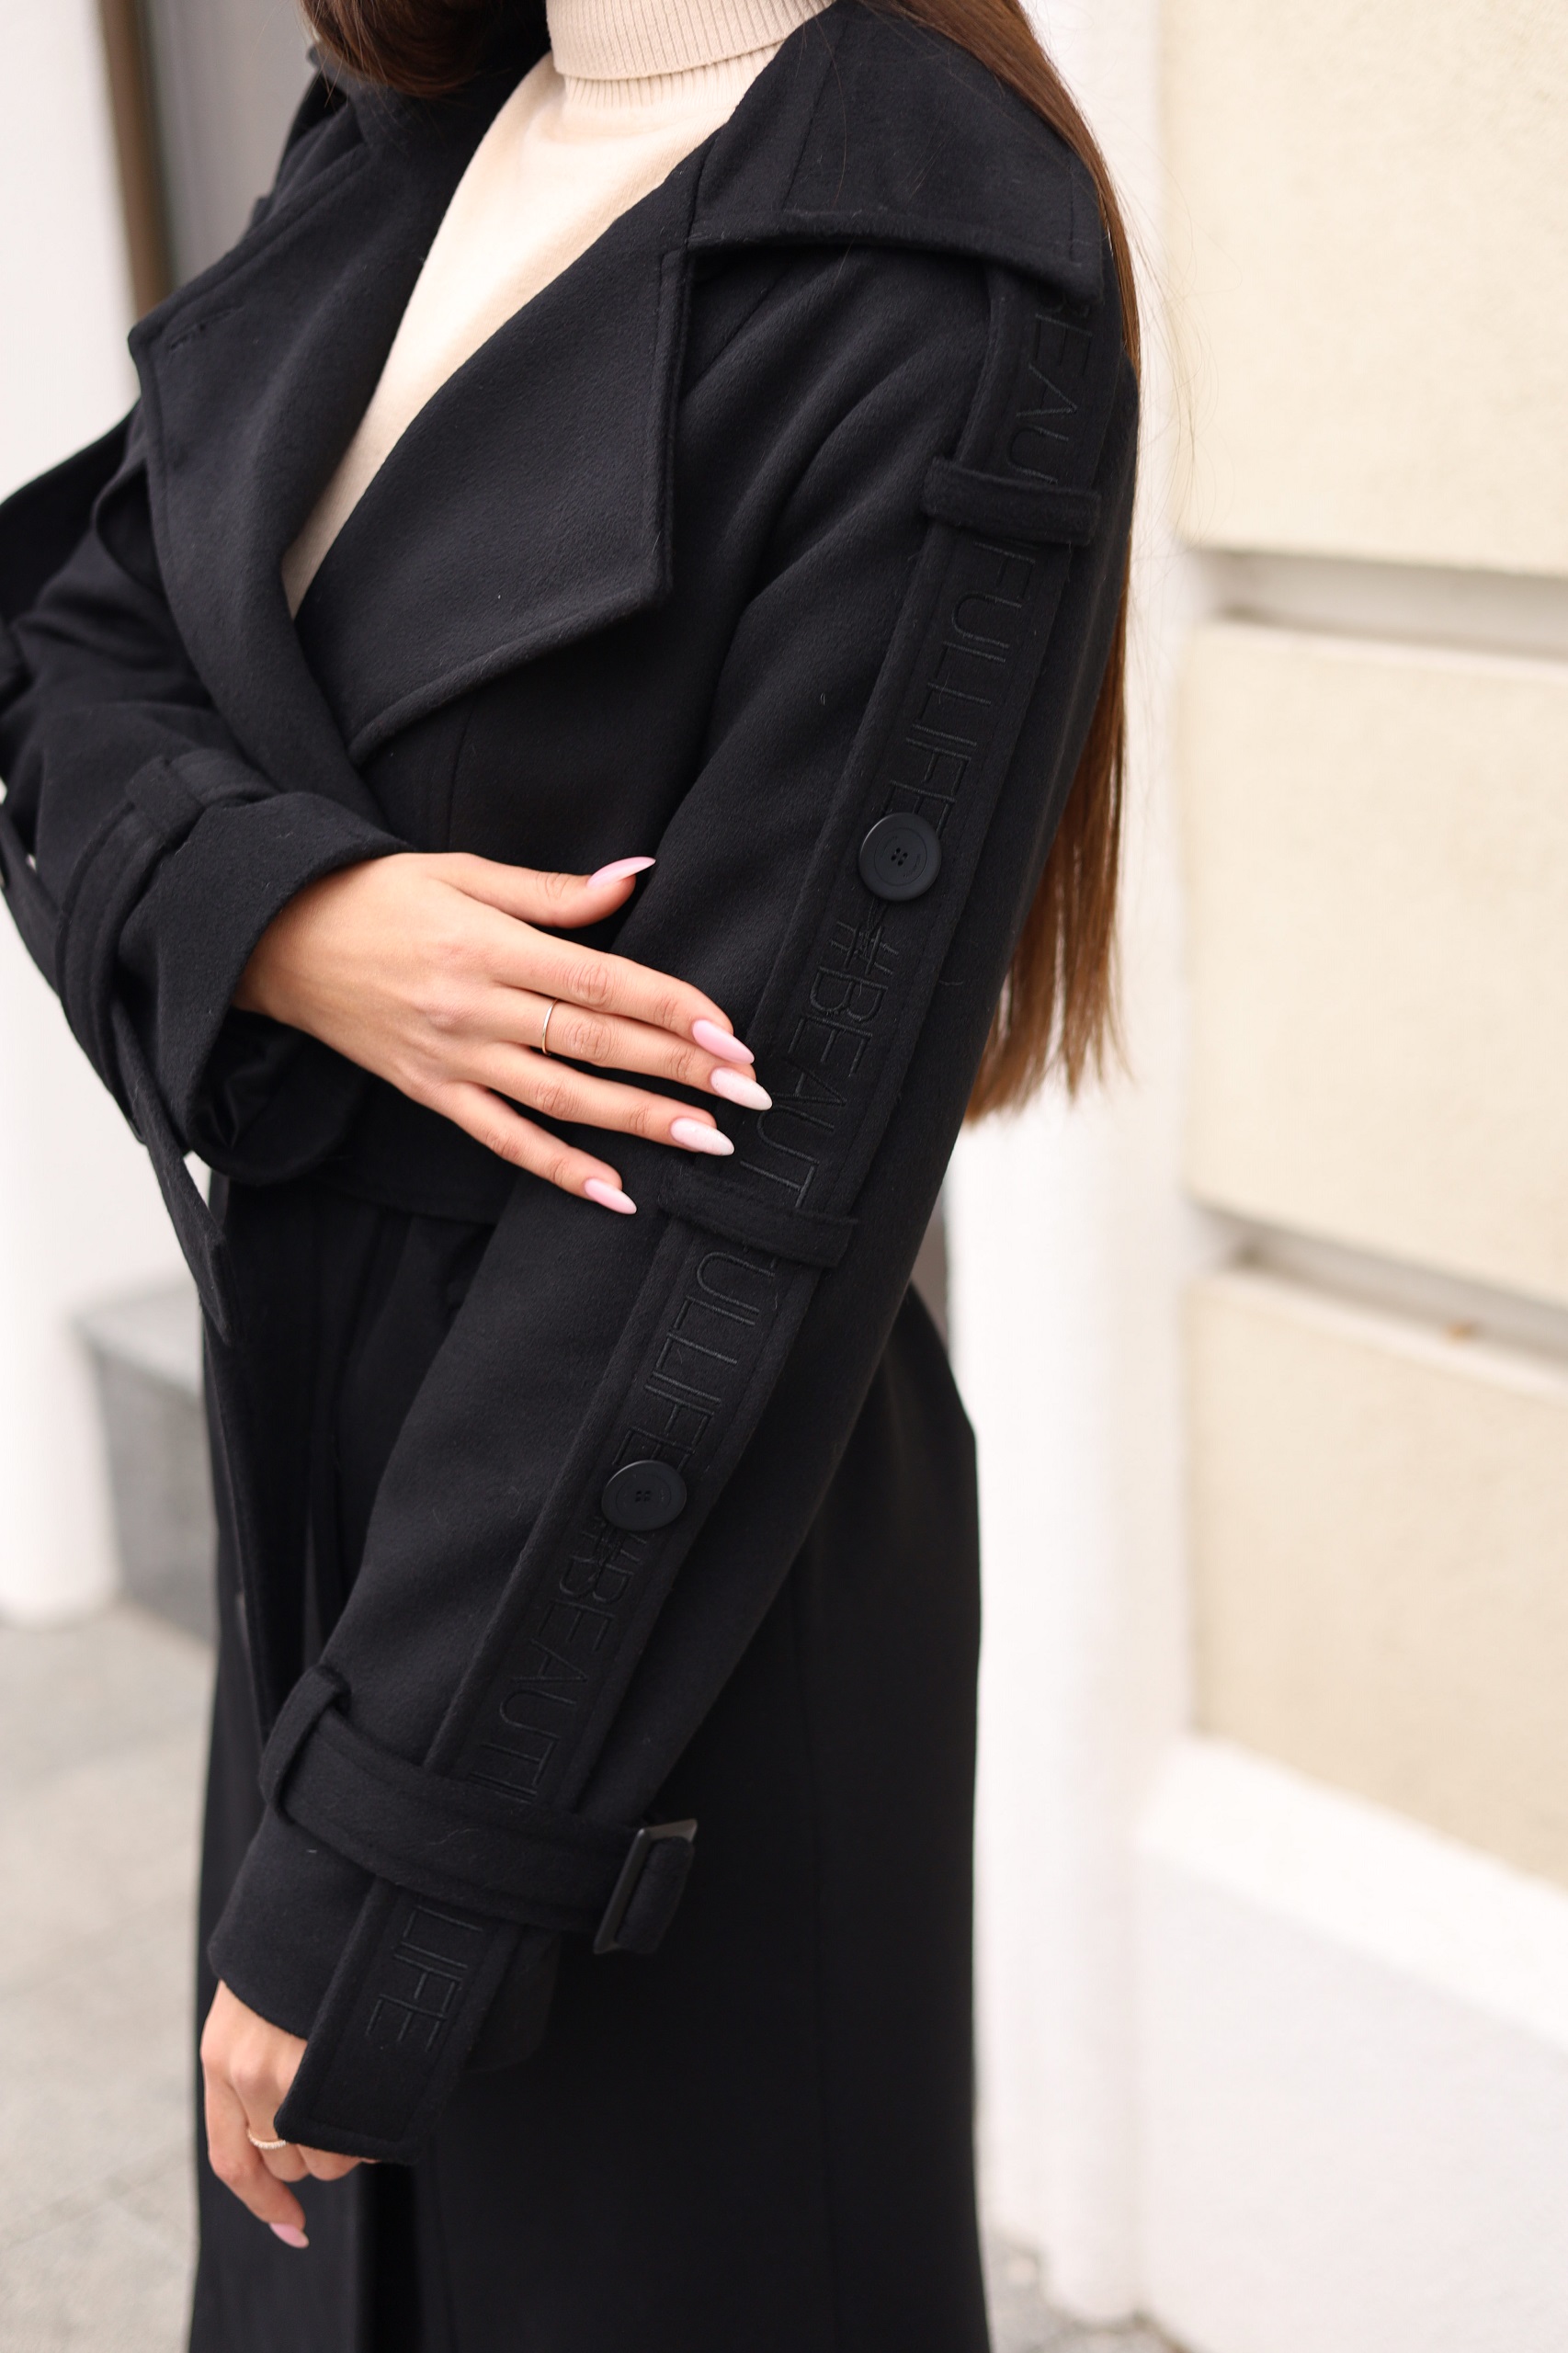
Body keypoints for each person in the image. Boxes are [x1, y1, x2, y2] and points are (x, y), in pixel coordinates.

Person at [0, 0, 1138, 2344]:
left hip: (658, 1538)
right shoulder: (414, 126)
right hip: (337, 1458)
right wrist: (293, 919)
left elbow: (729, 1178)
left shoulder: (931, 257)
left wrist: (397, 1853)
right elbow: (75, 644)